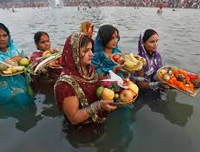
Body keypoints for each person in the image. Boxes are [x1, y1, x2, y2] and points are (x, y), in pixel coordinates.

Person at [54, 32, 117, 126]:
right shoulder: (65, 85)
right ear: (74, 53)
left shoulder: (89, 68)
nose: (92, 54)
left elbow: (98, 84)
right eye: (85, 51)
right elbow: (74, 118)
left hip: (97, 119)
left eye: (91, 49)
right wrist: (98, 106)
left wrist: (116, 76)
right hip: (81, 128)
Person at [0, 23, 33, 103]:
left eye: (5, 35)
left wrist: (22, 60)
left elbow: (28, 65)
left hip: (23, 89)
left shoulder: (16, 51)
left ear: (9, 36)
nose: (2, 39)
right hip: (4, 95)